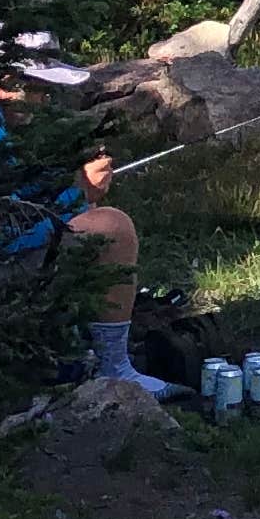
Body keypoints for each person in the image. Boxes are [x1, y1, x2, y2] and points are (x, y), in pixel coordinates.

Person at [64, 147, 176, 398]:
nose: (41, 104)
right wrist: (76, 194)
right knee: (113, 226)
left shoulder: (12, 127)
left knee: (94, 215)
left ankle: (82, 343)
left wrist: (84, 192)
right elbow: (12, 228)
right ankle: (113, 367)